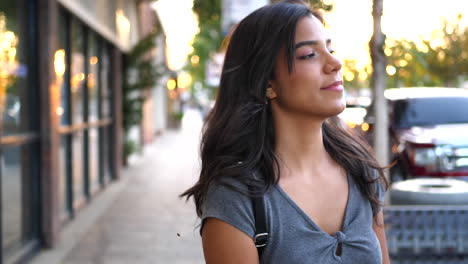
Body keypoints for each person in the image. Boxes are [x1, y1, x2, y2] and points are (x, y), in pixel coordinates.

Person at [181, 0, 390, 263]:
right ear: (267, 83)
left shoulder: (361, 170)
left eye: (330, 49)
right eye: (309, 55)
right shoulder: (236, 199)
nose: (335, 63)